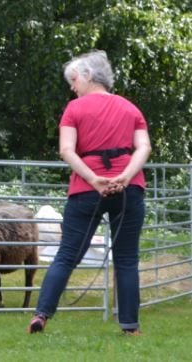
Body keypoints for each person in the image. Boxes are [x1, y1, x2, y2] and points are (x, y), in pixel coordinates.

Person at [27, 50, 151, 335]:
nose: (72, 87)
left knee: (66, 255)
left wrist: (95, 179)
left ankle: (41, 315)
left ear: (88, 76)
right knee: (127, 259)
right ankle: (130, 327)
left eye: (73, 80)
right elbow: (143, 147)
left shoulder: (74, 109)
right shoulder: (131, 108)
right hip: (128, 188)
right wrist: (126, 176)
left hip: (85, 189)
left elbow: (66, 150)